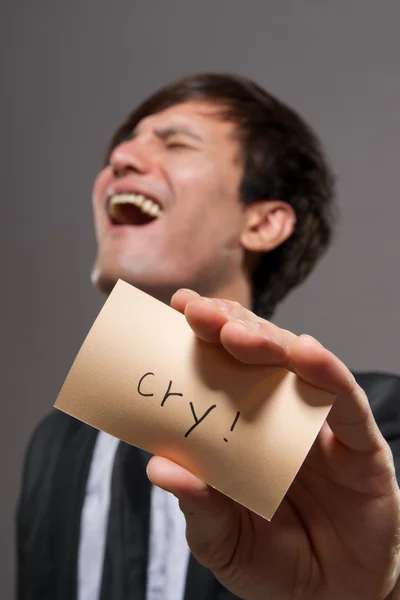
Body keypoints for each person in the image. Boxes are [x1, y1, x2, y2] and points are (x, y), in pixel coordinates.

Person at [17, 73, 400, 600]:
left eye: (174, 142)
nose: (119, 160)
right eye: (118, 148)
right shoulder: (53, 445)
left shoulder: (355, 435)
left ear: (264, 224)